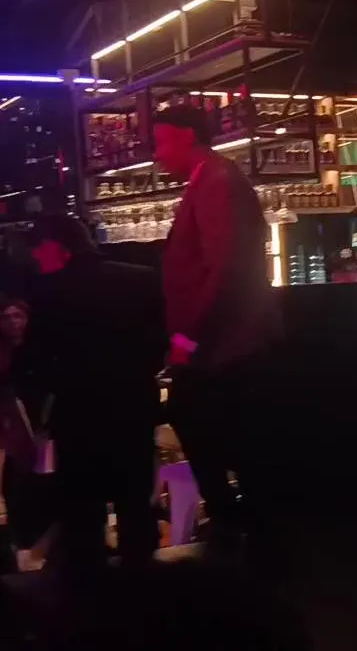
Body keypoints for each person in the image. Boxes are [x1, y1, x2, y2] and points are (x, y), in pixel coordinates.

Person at [152, 105, 284, 559]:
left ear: (188, 136)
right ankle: (246, 531)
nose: (157, 154)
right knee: (225, 435)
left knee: (207, 427)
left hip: (224, 345)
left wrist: (187, 338)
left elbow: (223, 268)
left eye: (162, 142)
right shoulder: (210, 179)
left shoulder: (216, 181)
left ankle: (245, 532)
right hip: (225, 343)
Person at [24, 217, 166, 573]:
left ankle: (89, 588)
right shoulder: (143, 278)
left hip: (78, 411)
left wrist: (55, 388)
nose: (36, 261)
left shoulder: (50, 290)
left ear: (55, 247)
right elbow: (168, 341)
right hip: (133, 403)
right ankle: (144, 580)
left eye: (38, 253)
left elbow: (37, 357)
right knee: (135, 497)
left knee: (83, 505)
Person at [0, 296, 57, 573]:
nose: (13, 321)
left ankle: (37, 549)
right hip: (12, 429)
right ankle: (21, 547)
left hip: (40, 427)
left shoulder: (39, 351)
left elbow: (50, 389)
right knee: (15, 486)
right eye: (6, 317)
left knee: (38, 485)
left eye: (18, 316)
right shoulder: (4, 354)